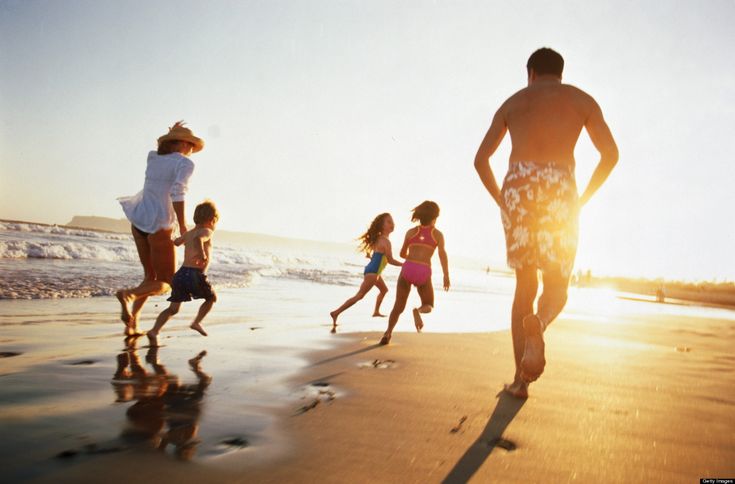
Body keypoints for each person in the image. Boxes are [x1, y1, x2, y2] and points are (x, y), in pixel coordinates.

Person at [474, 47, 618, 398]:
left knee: (525, 285)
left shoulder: (512, 102)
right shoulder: (582, 100)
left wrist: (502, 200)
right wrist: (580, 199)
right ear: (560, 72)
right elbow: (610, 155)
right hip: (560, 187)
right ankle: (540, 323)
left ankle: (519, 382)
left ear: (531, 73)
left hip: (517, 186)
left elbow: (480, 160)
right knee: (557, 284)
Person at [116, 121, 204, 336]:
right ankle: (128, 295)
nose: (192, 150)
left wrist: (170, 133)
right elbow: (178, 192)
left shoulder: (152, 157)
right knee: (166, 282)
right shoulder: (185, 164)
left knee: (150, 277)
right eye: (191, 145)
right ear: (183, 143)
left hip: (139, 219)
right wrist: (183, 225)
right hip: (160, 224)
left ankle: (132, 324)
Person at [147, 200, 219, 347]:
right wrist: (202, 254)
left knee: (173, 309)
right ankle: (196, 322)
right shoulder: (206, 231)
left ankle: (154, 330)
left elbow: (176, 242)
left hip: (180, 275)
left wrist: (170, 234)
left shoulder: (189, 233)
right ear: (212, 220)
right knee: (211, 298)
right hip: (194, 274)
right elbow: (199, 239)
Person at [379, 201, 450, 345]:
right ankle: (418, 311)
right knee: (429, 304)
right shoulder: (438, 235)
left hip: (408, 269)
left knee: (398, 306)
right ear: (434, 217)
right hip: (423, 270)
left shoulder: (411, 232)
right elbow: (442, 254)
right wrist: (446, 275)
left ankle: (388, 333)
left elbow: (402, 253)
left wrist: (412, 258)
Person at [330, 213, 402, 333]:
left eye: (392, 222)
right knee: (360, 296)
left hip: (373, 271)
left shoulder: (379, 239)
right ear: (382, 225)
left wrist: (370, 257)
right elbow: (390, 260)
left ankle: (376, 311)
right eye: (388, 222)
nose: (392, 224)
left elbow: (378, 258)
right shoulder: (385, 242)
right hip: (373, 273)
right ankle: (336, 312)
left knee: (384, 290)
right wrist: (405, 264)